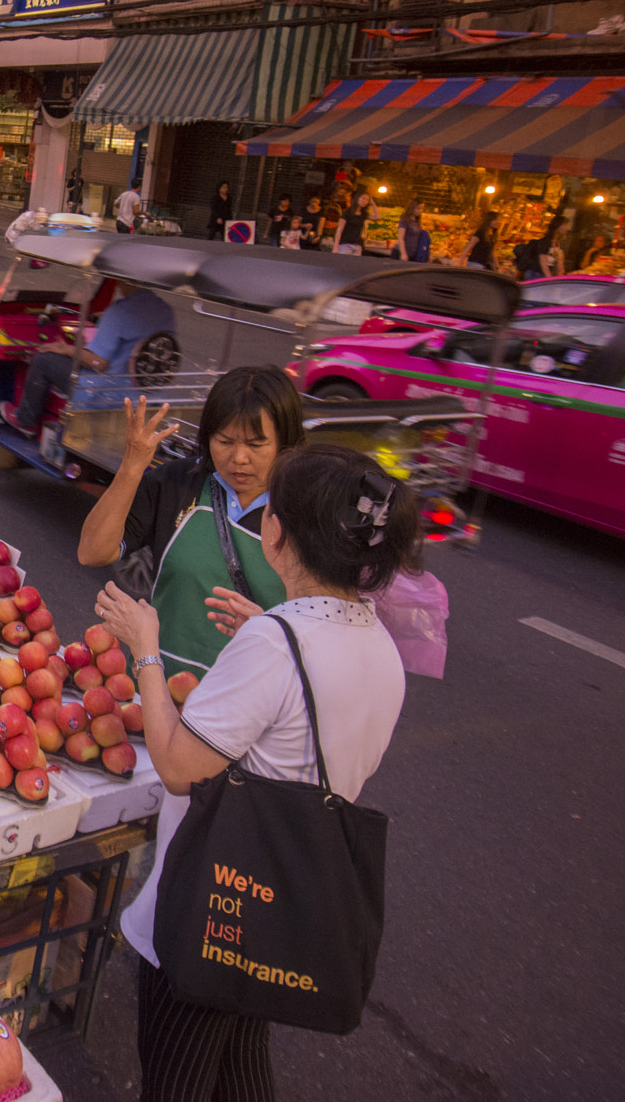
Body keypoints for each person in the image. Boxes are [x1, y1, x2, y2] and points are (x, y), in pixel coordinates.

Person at [95, 443, 413, 1102]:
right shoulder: (379, 644)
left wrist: (146, 650)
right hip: (283, 896)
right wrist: (267, 626)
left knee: (177, 1079)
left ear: (276, 531)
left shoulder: (276, 643)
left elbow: (180, 766)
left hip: (216, 899)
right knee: (241, 1064)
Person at [76, 367, 303, 675]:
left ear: (284, 442)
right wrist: (132, 466)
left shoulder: (306, 510)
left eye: (256, 444)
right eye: (225, 441)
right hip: (157, 691)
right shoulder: (179, 483)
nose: (239, 458)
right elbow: (92, 551)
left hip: (249, 704)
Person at [0, 281, 176, 437]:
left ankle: (26, 420)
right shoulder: (166, 310)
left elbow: (98, 361)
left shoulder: (120, 312)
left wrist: (66, 349)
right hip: (148, 393)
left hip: (106, 393)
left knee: (43, 359)